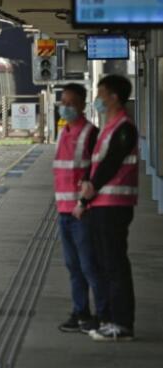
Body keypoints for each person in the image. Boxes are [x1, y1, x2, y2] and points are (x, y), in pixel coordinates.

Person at [76, 74, 138, 342]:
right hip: (103, 204)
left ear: (114, 97)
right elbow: (97, 164)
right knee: (105, 263)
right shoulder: (110, 126)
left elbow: (110, 164)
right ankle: (109, 319)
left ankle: (121, 324)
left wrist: (86, 195)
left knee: (115, 264)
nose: (97, 100)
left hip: (115, 204)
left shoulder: (124, 128)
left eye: (101, 95)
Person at [54, 83, 107, 334]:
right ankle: (80, 312)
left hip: (83, 212)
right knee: (73, 267)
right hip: (63, 212)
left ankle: (104, 315)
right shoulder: (63, 132)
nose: (65, 108)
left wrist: (84, 203)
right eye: (63, 103)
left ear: (82, 105)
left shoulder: (90, 133)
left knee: (90, 266)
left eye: (70, 103)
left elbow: (98, 173)